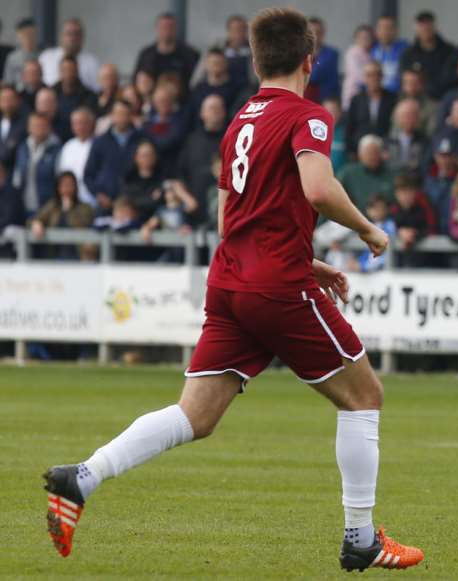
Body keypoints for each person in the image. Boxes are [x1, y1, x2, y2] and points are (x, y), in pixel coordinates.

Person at [42, 8, 424, 571]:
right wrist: (367, 228)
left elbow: (234, 219)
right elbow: (318, 188)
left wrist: (310, 262)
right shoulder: (308, 115)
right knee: (364, 396)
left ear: (254, 60)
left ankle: (83, 476)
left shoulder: (239, 120)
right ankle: (361, 537)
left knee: (196, 415)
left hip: (230, 281)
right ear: (309, 61)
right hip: (274, 286)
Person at [84, 100, 144, 215]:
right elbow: (89, 174)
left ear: (131, 116)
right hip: (105, 203)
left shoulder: (141, 140)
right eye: (119, 114)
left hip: (133, 204)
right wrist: (98, 194)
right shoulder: (100, 142)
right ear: (112, 116)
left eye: (125, 114)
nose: (122, 118)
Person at [177, 94, 225, 223]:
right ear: (202, 113)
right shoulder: (191, 141)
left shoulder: (232, 139)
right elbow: (178, 177)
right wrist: (187, 199)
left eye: (218, 108)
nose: (215, 111)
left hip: (223, 214)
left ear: (224, 113)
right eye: (211, 108)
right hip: (195, 213)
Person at [29, 171, 94, 260]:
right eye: (63, 185)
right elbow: (35, 219)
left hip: (77, 255)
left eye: (70, 185)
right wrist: (36, 223)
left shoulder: (85, 208)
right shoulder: (53, 206)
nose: (66, 188)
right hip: (53, 256)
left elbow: (83, 225)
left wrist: (69, 210)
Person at [134, 12, 200, 93]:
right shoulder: (146, 55)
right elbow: (137, 80)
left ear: (175, 29)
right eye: (163, 27)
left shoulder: (189, 54)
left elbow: (197, 82)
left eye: (170, 27)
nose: (166, 30)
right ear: (157, 28)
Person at [12, 112, 60, 216]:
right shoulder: (23, 148)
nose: (38, 129)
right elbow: (17, 177)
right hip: (24, 205)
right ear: (29, 128)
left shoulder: (57, 149)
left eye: (42, 126)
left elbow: (59, 180)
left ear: (49, 127)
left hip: (48, 207)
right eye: (35, 125)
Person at [399, 11, 453, 101]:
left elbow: (450, 78)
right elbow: (404, 79)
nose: (425, 29)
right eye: (422, 26)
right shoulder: (408, 54)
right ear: (416, 28)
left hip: (442, 98)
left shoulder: (449, 51)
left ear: (435, 27)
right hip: (415, 100)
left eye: (428, 26)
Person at [344, 62, 397, 155]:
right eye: (369, 75)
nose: (373, 78)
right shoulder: (356, 100)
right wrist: (351, 151)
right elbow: (349, 127)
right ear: (364, 78)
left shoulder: (392, 99)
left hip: (384, 151)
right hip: (359, 151)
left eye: (377, 74)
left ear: (382, 76)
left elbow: (395, 127)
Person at [39, 19, 100, 90]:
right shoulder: (46, 57)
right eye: (69, 33)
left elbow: (97, 89)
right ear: (61, 36)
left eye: (76, 34)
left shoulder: (92, 61)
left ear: (82, 37)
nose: (73, 38)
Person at [338, 134, 396, 209]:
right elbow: (333, 196)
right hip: (355, 217)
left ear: (381, 154)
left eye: (375, 152)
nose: (372, 157)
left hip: (383, 218)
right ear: (360, 154)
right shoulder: (347, 173)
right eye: (368, 153)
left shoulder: (391, 175)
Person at [57, 108, 96, 207]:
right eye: (76, 123)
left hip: (92, 198)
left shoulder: (97, 145)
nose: (80, 126)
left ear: (91, 124)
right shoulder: (68, 146)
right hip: (72, 200)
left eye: (83, 122)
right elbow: (63, 173)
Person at [423, 138, 458, 235]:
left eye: (448, 156)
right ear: (435, 156)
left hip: (455, 233)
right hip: (433, 233)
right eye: (441, 155)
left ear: (454, 157)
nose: (444, 160)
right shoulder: (428, 181)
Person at [385, 98, 427, 174]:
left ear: (418, 118)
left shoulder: (425, 141)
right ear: (397, 117)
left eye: (413, 115)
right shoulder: (387, 141)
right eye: (406, 115)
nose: (409, 119)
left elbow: (423, 165)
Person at [370, 16, 408, 94]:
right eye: (382, 28)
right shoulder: (372, 50)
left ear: (396, 31)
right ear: (376, 31)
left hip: (398, 95)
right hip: (378, 96)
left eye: (389, 28)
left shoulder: (405, 49)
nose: (385, 31)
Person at [306, 17, 340, 103]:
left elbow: (314, 76)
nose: (315, 35)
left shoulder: (331, 54)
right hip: (304, 99)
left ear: (323, 33)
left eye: (318, 32)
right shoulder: (300, 53)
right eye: (312, 32)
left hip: (324, 100)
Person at [342, 25, 374, 110]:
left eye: (368, 37)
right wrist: (372, 80)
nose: (365, 40)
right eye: (362, 37)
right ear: (356, 38)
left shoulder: (371, 53)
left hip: (366, 92)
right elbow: (357, 74)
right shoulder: (352, 53)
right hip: (353, 91)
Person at [3, 18, 38, 88]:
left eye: (31, 33)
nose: (28, 37)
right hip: (19, 93)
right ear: (18, 35)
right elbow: (8, 81)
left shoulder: (45, 55)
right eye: (24, 34)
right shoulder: (13, 58)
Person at [0, 85, 27, 170]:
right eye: (4, 99)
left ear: (18, 100)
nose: (7, 103)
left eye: (10, 99)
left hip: (14, 171)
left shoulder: (25, 123)